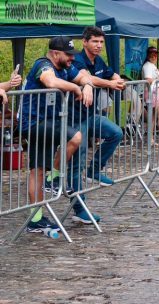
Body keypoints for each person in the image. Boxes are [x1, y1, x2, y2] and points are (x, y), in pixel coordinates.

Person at [20, 36, 95, 232]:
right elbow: (49, 81)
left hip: (49, 122)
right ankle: (53, 179)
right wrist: (75, 88)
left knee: (37, 170)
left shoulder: (65, 67)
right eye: (68, 55)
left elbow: (84, 76)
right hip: (35, 122)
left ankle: (35, 219)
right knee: (76, 137)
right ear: (55, 53)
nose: (72, 58)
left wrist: (86, 85)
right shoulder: (43, 65)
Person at [68, 27, 125, 189]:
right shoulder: (77, 59)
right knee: (80, 153)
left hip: (91, 114)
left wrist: (118, 80)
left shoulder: (98, 60)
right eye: (95, 41)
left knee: (116, 133)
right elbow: (87, 77)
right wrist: (111, 84)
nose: (99, 45)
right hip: (75, 116)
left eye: (101, 42)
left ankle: (93, 171)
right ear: (84, 42)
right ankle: (73, 190)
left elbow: (109, 73)